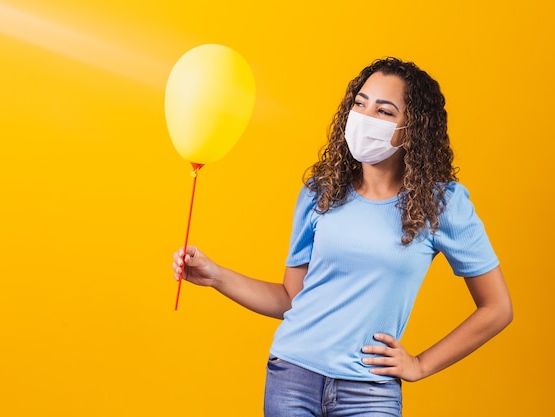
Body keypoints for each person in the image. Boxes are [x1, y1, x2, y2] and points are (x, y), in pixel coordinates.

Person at [172, 57, 513, 417]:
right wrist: (216, 276)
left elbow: (497, 308)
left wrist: (420, 365)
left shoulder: (441, 204)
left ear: (412, 129)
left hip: (370, 391)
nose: (365, 117)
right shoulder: (321, 191)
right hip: (292, 377)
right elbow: (292, 298)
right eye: (360, 103)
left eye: (384, 111)